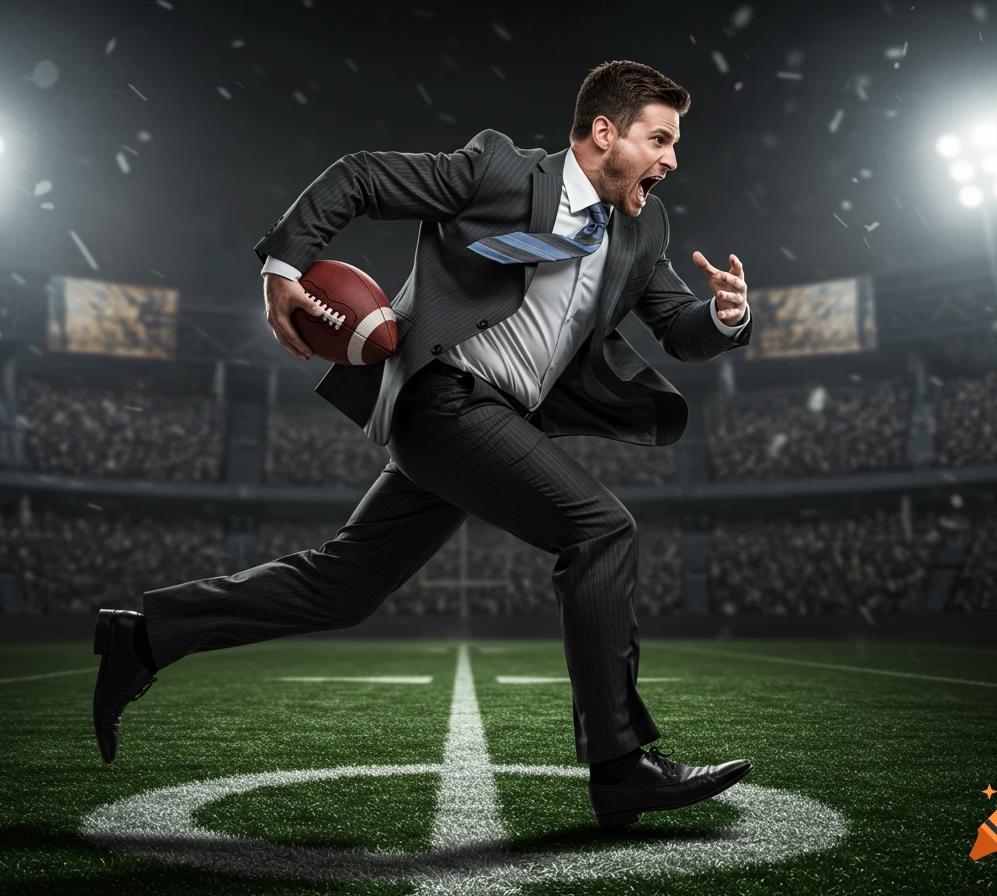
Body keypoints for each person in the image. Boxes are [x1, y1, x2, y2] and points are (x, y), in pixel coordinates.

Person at [93, 60, 754, 828]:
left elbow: (679, 328)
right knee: (600, 529)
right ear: (605, 133)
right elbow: (363, 176)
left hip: (498, 422)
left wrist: (726, 318)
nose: (673, 159)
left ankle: (142, 637)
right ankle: (617, 765)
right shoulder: (501, 171)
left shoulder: (644, 230)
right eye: (660, 139)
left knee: (344, 587)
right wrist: (284, 264)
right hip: (444, 399)